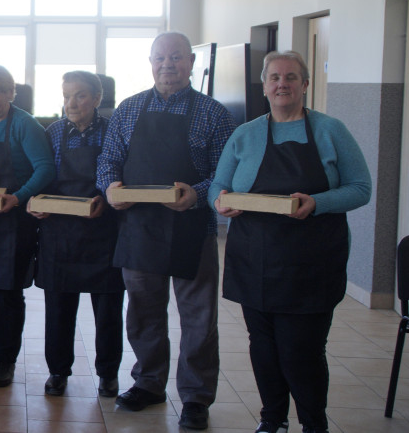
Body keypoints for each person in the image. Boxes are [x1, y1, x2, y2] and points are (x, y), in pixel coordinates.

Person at [210, 51, 371, 433]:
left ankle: (314, 423)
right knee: (263, 347)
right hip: (254, 259)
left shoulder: (331, 131)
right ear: (265, 86)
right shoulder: (245, 133)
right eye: (275, 77)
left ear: (305, 84)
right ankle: (272, 418)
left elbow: (360, 188)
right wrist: (220, 202)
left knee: (302, 352)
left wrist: (318, 203)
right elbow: (219, 184)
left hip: (312, 262)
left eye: (291, 77)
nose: (283, 83)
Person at [97, 32, 235, 430]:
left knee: (198, 318)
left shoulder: (214, 113)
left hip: (193, 228)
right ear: (150, 61)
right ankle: (149, 383)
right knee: (143, 314)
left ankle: (195, 397)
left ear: (191, 62)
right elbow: (108, 160)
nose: (168, 64)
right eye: (161, 57)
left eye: (176, 57)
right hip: (139, 227)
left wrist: (199, 193)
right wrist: (109, 188)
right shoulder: (128, 109)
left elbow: (225, 177)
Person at [28, 71, 124, 397]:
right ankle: (58, 371)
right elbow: (39, 175)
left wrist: (106, 201)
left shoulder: (113, 131)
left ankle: (108, 373)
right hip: (59, 233)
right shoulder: (52, 132)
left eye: (80, 95)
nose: (71, 103)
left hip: (103, 232)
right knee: (58, 310)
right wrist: (35, 202)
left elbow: (121, 177)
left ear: (97, 99)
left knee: (109, 311)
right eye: (67, 95)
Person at [0, 65, 56, 388]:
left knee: (8, 295)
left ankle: (6, 360)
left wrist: (18, 198)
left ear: (11, 93)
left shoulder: (25, 126)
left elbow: (44, 169)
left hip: (13, 222)